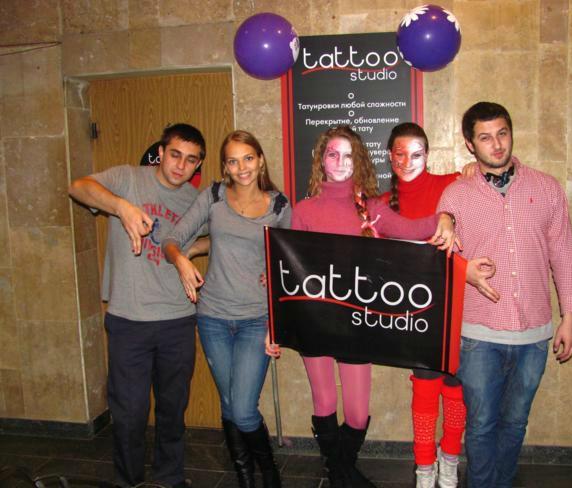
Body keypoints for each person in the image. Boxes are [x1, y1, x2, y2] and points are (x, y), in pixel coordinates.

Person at [267, 125, 457, 488]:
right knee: (324, 401)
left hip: (357, 323)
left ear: (359, 162)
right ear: (321, 160)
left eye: (348, 155)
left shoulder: (371, 208)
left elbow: (412, 230)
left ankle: (340, 470)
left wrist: (445, 218)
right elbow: (287, 271)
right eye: (333, 154)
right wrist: (272, 326)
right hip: (314, 322)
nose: (340, 162)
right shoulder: (304, 210)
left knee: (356, 413)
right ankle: (343, 476)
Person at [438, 102, 572, 488]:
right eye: (485, 137)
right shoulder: (455, 196)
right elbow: (439, 258)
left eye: (502, 133)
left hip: (534, 335)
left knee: (516, 423)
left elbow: (564, 254)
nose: (497, 144)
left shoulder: (547, 188)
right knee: (481, 424)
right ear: (470, 145)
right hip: (478, 336)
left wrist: (569, 316)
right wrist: (463, 268)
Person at [68, 123, 207, 488]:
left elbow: (224, 232)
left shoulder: (196, 200)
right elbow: (77, 187)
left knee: (172, 409)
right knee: (129, 413)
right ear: (160, 152)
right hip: (129, 320)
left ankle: (169, 478)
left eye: (190, 160)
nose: (180, 165)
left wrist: (193, 248)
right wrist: (121, 207)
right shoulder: (128, 179)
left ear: (198, 165)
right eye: (174, 155)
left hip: (178, 320)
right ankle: (128, 481)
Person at [162, 130, 291, 488]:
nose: (241, 167)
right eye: (233, 161)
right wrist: (182, 260)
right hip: (213, 317)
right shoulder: (214, 196)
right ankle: (245, 477)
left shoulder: (279, 206)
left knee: (243, 409)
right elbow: (172, 239)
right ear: (225, 167)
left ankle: (269, 474)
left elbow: (291, 264)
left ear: (260, 160)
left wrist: (276, 287)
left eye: (248, 158)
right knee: (229, 402)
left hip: (256, 318)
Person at [381, 122, 498, 488]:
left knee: (456, 390)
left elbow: (490, 180)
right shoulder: (381, 204)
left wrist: (473, 169)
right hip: (415, 314)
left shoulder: (451, 184)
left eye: (416, 154)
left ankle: (449, 460)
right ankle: (423, 467)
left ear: (427, 155)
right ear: (389, 156)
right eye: (400, 154)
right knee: (424, 392)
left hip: (456, 307)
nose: (407, 161)